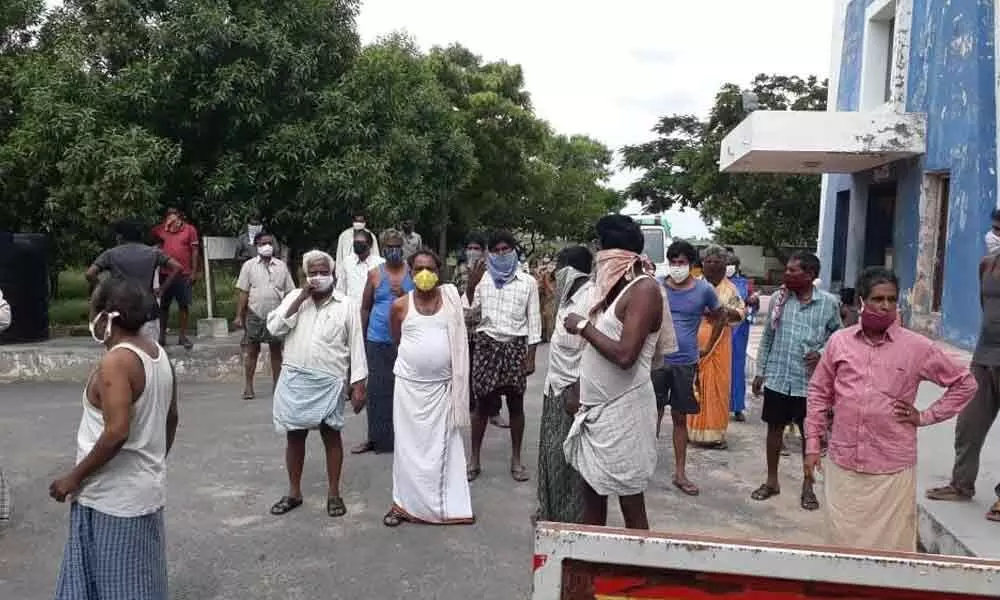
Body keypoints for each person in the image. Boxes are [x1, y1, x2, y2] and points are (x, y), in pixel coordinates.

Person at [806, 267, 976, 551]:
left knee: (891, 551)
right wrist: (812, 443)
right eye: (877, 299)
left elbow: (965, 383)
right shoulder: (840, 342)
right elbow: (819, 392)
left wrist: (925, 416)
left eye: (892, 299)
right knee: (841, 547)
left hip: (891, 469)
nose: (885, 306)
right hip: (844, 464)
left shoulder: (917, 347)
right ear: (862, 301)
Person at [51, 277, 179, 600]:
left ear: (108, 316)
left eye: (93, 309)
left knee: (121, 587)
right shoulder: (158, 354)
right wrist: (150, 461)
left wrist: (73, 478)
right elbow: (172, 418)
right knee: (132, 582)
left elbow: (117, 431)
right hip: (134, 494)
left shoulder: (116, 362)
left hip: (114, 501)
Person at [562, 215, 664, 529]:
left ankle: (639, 572)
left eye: (600, 249)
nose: (597, 257)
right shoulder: (614, 291)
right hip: (596, 412)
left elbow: (624, 355)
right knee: (592, 496)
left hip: (625, 412)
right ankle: (595, 568)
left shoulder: (643, 290)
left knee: (631, 502)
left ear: (611, 253)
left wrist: (582, 326)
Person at [265, 250, 367, 518]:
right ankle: (294, 492)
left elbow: (357, 345)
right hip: (295, 378)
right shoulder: (295, 298)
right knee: (294, 436)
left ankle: (334, 494)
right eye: (313, 272)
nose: (318, 277)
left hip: (329, 381)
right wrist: (300, 297)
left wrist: (358, 384)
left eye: (324, 272)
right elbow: (274, 329)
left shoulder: (346, 304)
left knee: (331, 435)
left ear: (333, 274)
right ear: (305, 275)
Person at [383, 250, 474, 526]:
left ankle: (447, 507)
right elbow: (397, 339)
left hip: (443, 390)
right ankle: (403, 505)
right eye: (419, 268)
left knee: (443, 449)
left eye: (430, 268)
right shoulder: (400, 305)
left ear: (438, 272)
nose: (425, 274)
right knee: (407, 449)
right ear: (411, 272)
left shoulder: (450, 301)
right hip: (409, 390)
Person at [751, 252, 841, 511]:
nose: (786, 275)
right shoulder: (780, 300)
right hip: (779, 378)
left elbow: (839, 336)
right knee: (774, 431)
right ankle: (771, 481)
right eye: (787, 270)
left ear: (810, 275)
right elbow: (768, 336)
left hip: (809, 382)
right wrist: (760, 371)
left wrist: (822, 352)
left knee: (809, 436)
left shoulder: (828, 304)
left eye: (793, 271)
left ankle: (808, 486)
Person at [926, 213, 1000, 520]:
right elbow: (987, 310)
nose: (994, 235)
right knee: (969, 424)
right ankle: (961, 484)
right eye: (995, 229)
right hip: (984, 357)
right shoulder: (987, 264)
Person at [466, 230, 542, 483]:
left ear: (514, 251)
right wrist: (470, 285)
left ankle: (516, 459)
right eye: (496, 250)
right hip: (487, 345)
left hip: (515, 346)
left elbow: (534, 320)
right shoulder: (483, 279)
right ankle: (474, 459)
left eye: (505, 250)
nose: (501, 254)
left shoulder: (527, 282)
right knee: (482, 405)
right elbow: (471, 315)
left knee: (516, 404)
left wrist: (530, 356)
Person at [654, 239, 722, 496]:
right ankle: (644, 466)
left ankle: (680, 473)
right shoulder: (658, 286)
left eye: (681, 262)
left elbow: (720, 316)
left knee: (680, 418)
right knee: (653, 415)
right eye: (673, 262)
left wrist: (707, 347)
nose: (676, 267)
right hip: (658, 361)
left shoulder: (704, 290)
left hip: (685, 363)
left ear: (691, 265)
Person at [536, 246, 594, 524]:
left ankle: (569, 519)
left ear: (569, 270)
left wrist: (579, 389)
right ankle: (550, 510)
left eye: (559, 268)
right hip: (554, 387)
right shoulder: (567, 299)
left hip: (573, 392)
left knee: (568, 461)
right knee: (550, 454)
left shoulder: (591, 300)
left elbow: (592, 353)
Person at [354, 230, 414, 455]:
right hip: (377, 338)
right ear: (382, 248)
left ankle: (404, 438)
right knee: (377, 390)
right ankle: (375, 438)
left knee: (404, 389)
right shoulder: (374, 274)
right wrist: (360, 335)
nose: (393, 250)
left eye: (397, 245)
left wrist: (404, 294)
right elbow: (366, 306)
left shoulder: (414, 272)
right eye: (389, 246)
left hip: (406, 338)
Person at [86, 219, 184, 344]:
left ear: (120, 237)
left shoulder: (110, 254)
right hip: (148, 308)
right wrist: (162, 289)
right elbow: (177, 267)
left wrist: (103, 288)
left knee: (123, 352)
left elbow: (89, 274)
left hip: (119, 312)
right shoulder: (153, 252)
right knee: (148, 351)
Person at [688, 246, 745, 448]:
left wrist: (720, 311)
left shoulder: (730, 289)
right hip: (694, 342)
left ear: (724, 265)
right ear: (703, 264)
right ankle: (692, 431)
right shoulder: (694, 286)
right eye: (709, 261)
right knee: (695, 386)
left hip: (719, 345)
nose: (712, 265)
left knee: (717, 386)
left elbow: (740, 313)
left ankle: (714, 435)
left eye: (717, 262)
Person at [234, 231, 296, 400]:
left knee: (276, 351)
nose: (267, 246)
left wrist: (289, 313)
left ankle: (278, 386)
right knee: (252, 350)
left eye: (270, 243)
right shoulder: (249, 266)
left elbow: (290, 291)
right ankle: (248, 386)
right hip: (254, 312)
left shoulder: (281, 266)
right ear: (257, 246)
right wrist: (239, 315)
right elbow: (243, 292)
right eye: (263, 243)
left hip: (276, 314)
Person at [456, 233, 508, 428]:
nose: (472, 251)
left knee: (492, 371)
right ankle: (473, 407)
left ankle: (494, 411)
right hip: (465, 326)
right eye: (469, 248)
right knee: (468, 369)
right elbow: (456, 294)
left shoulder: (491, 269)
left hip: (486, 327)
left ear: (483, 250)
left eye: (476, 248)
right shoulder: (460, 269)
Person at [151, 208, 200, 349]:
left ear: (180, 217)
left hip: (184, 273)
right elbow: (152, 236)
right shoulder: (162, 229)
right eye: (169, 216)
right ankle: (161, 337)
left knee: (183, 305)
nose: (173, 218)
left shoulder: (190, 230)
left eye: (175, 216)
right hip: (165, 273)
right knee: (164, 305)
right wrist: (166, 226)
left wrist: (194, 272)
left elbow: (195, 251)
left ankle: (183, 336)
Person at [727, 254, 756, 421]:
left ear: (737, 266)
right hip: (720, 328)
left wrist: (752, 301)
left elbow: (752, 305)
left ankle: (737, 407)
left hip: (739, 331)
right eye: (726, 264)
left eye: (731, 264)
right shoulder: (715, 282)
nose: (728, 267)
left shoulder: (745, 283)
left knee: (737, 368)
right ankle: (718, 404)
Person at [336, 228, 384, 303]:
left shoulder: (380, 263)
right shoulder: (347, 262)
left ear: (370, 245)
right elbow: (340, 290)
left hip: (373, 308)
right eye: (356, 242)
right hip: (350, 309)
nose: (358, 245)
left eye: (361, 243)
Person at [336, 210, 380, 279]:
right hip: (347, 269)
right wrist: (338, 274)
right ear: (353, 222)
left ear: (365, 222)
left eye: (361, 221)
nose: (358, 223)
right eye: (357, 221)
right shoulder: (344, 236)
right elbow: (339, 255)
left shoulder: (371, 236)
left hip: (365, 269)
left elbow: (375, 253)